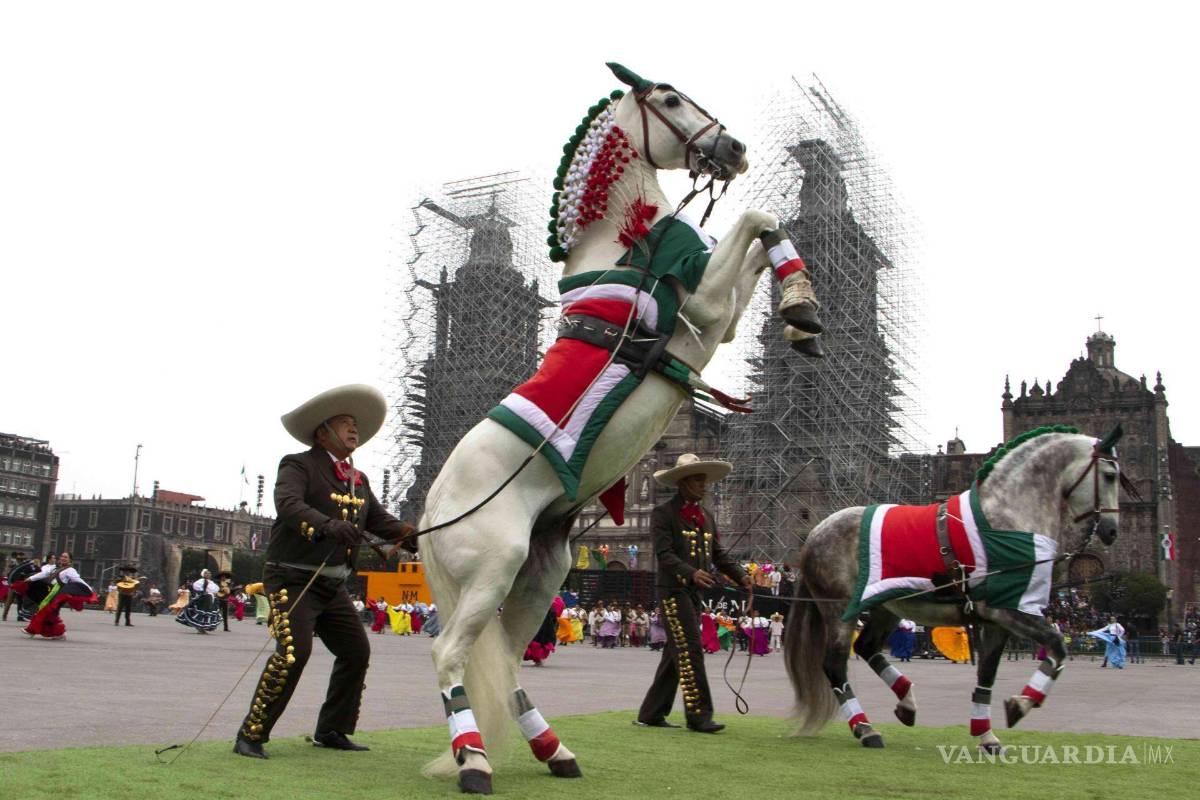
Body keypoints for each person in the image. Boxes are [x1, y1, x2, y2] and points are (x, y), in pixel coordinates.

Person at [233, 384, 417, 759]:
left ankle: (332, 730)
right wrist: (325, 525)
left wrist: (416, 537)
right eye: (345, 423)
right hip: (292, 579)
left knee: (355, 651)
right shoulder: (298, 465)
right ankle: (251, 734)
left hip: (331, 585)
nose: (355, 429)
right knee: (292, 654)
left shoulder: (358, 479)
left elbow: (380, 521)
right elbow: (287, 504)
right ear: (323, 432)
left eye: (355, 424)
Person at [635, 454, 751, 734]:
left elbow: (719, 555)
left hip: (693, 593)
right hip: (673, 592)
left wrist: (741, 575)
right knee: (690, 650)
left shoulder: (706, 517)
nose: (703, 485)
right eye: (697, 480)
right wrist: (691, 572)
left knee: (674, 654)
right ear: (683, 483)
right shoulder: (663, 514)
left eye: (704, 480)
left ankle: (651, 713)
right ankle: (699, 716)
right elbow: (664, 554)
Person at [13, 552, 96, 639]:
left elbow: (78, 580)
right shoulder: (55, 568)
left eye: (66, 557)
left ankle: (31, 630)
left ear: (70, 560)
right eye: (62, 556)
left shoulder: (70, 571)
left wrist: (89, 589)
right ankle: (59, 633)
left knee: (44, 610)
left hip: (59, 594)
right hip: (51, 592)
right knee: (51, 615)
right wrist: (30, 578)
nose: (63, 558)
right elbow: (43, 574)